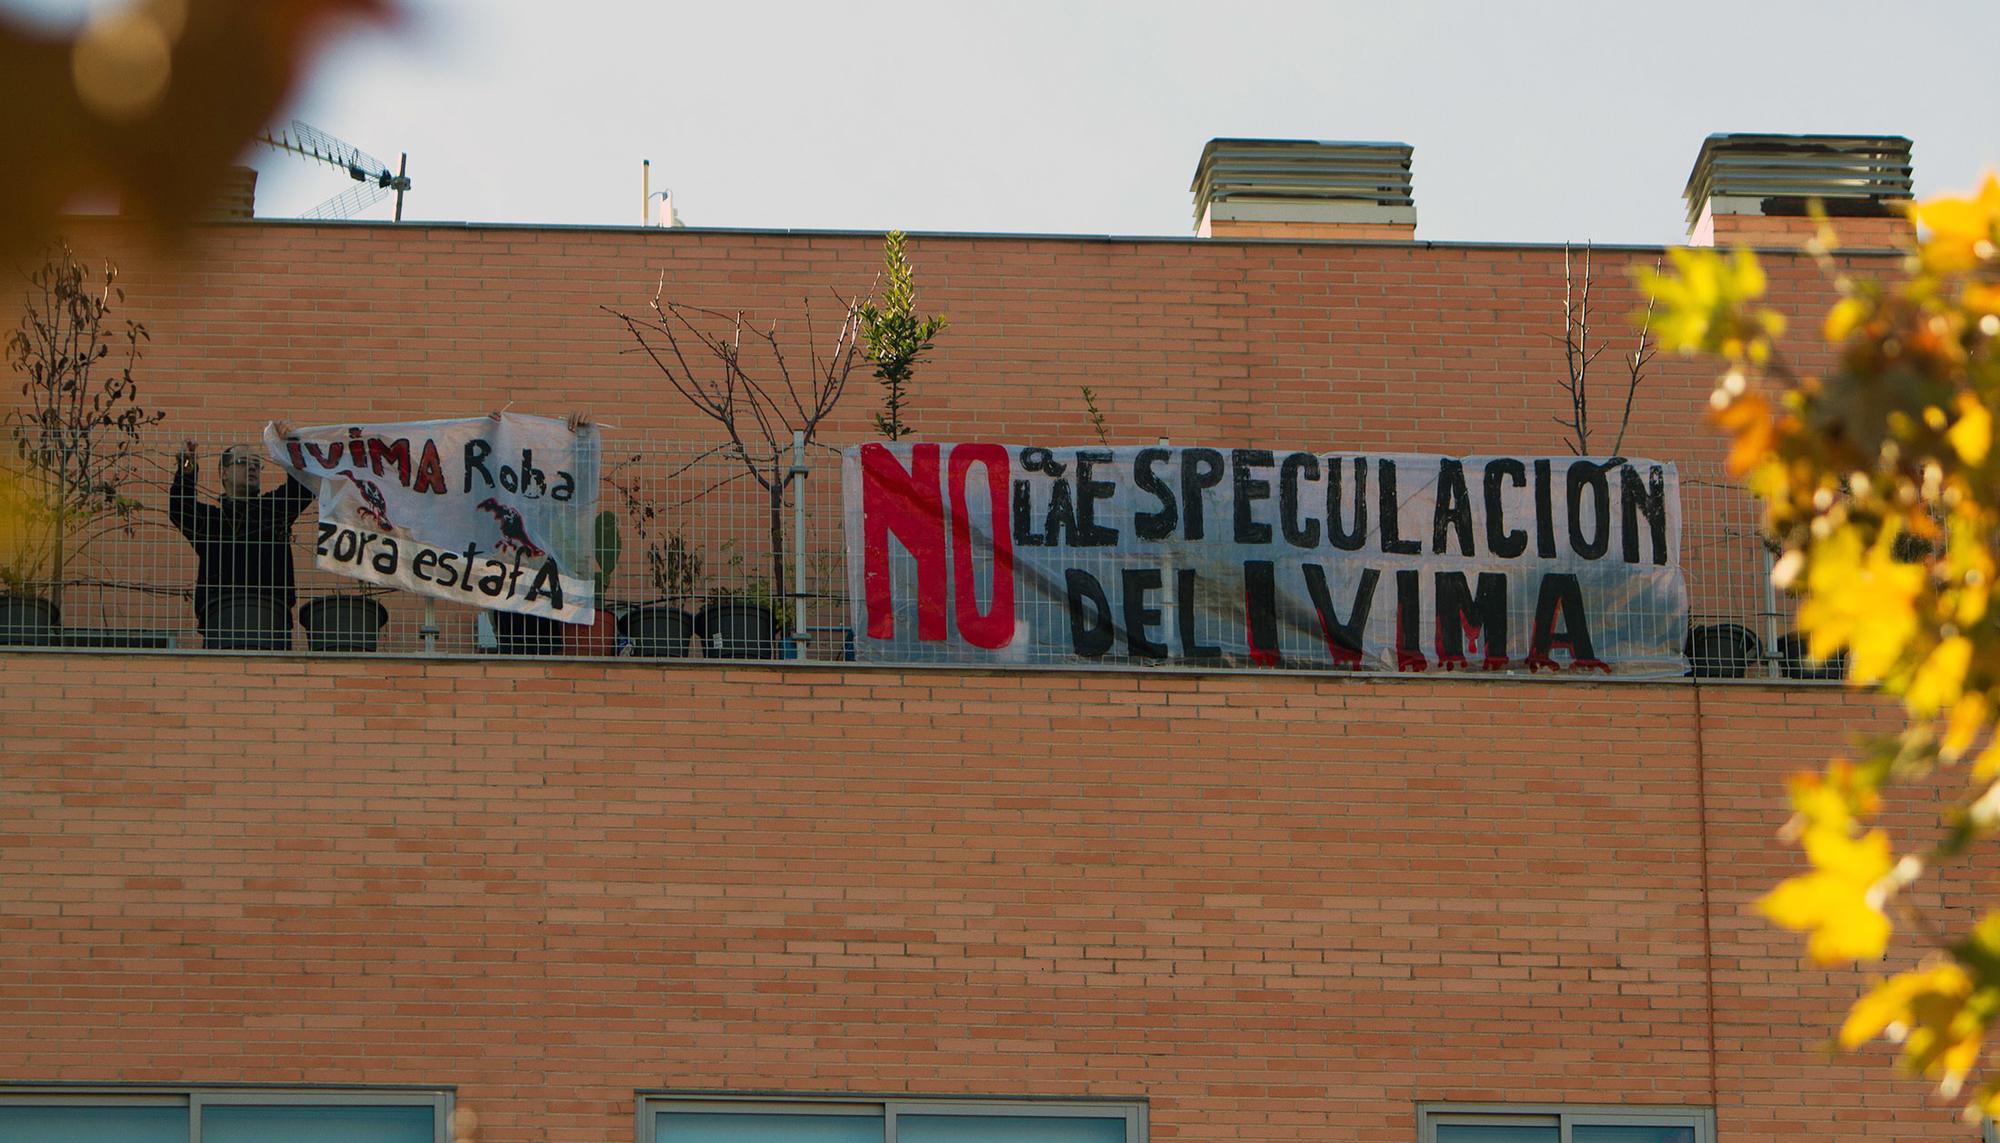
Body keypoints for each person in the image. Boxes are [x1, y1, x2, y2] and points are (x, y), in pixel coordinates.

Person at [170, 424, 314, 648]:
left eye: (257, 464)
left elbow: (302, 488)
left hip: (270, 616)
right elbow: (180, 507)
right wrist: (187, 466)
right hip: (221, 615)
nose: (252, 468)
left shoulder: (272, 510)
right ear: (224, 473)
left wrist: (290, 448)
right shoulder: (211, 521)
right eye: (242, 462)